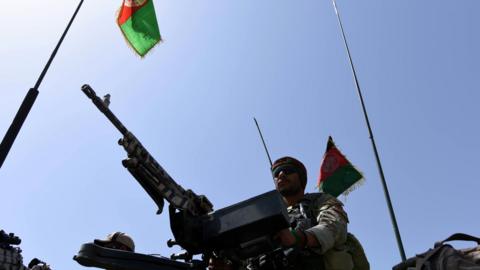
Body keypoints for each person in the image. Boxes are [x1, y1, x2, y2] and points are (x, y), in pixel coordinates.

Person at [209, 156, 355, 270]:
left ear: (301, 179)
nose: (281, 174)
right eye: (277, 173)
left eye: (288, 170)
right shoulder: (264, 215)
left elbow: (334, 227)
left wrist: (298, 237)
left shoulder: (321, 201)